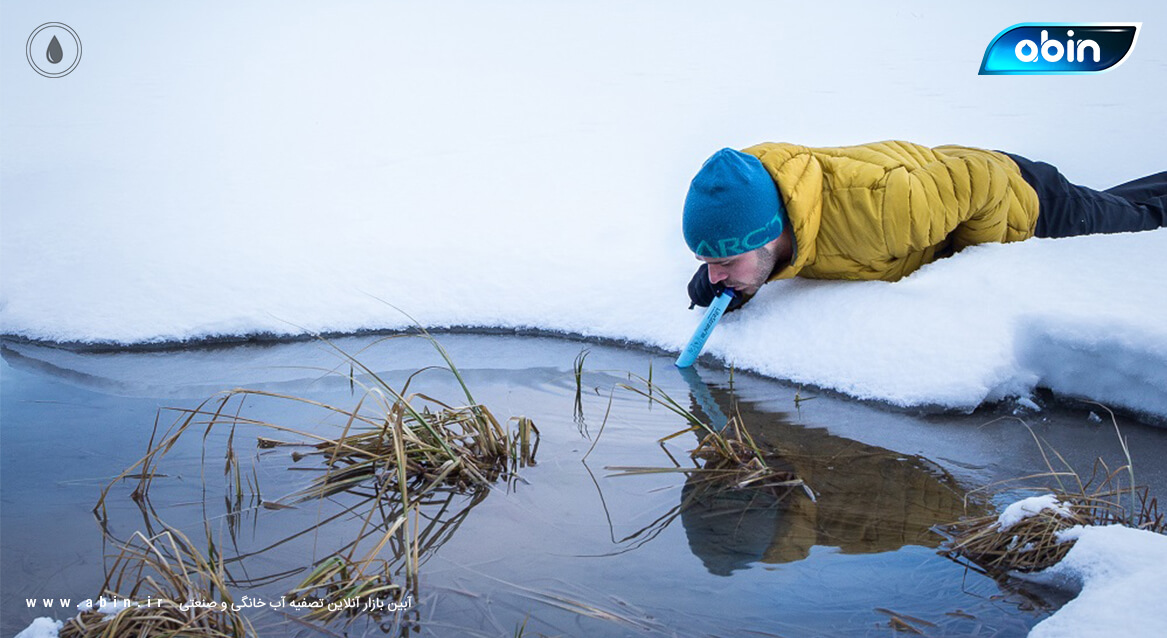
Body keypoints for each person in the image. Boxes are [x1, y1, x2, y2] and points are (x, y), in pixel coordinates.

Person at [683, 141, 1167, 310]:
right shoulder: (755, 204)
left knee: (1143, 222)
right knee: (1124, 202)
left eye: (724, 262)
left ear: (768, 233)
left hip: (1027, 201)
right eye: (710, 263)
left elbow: (984, 180)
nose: (716, 274)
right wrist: (729, 280)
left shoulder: (880, 214)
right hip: (944, 185)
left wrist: (974, 262)